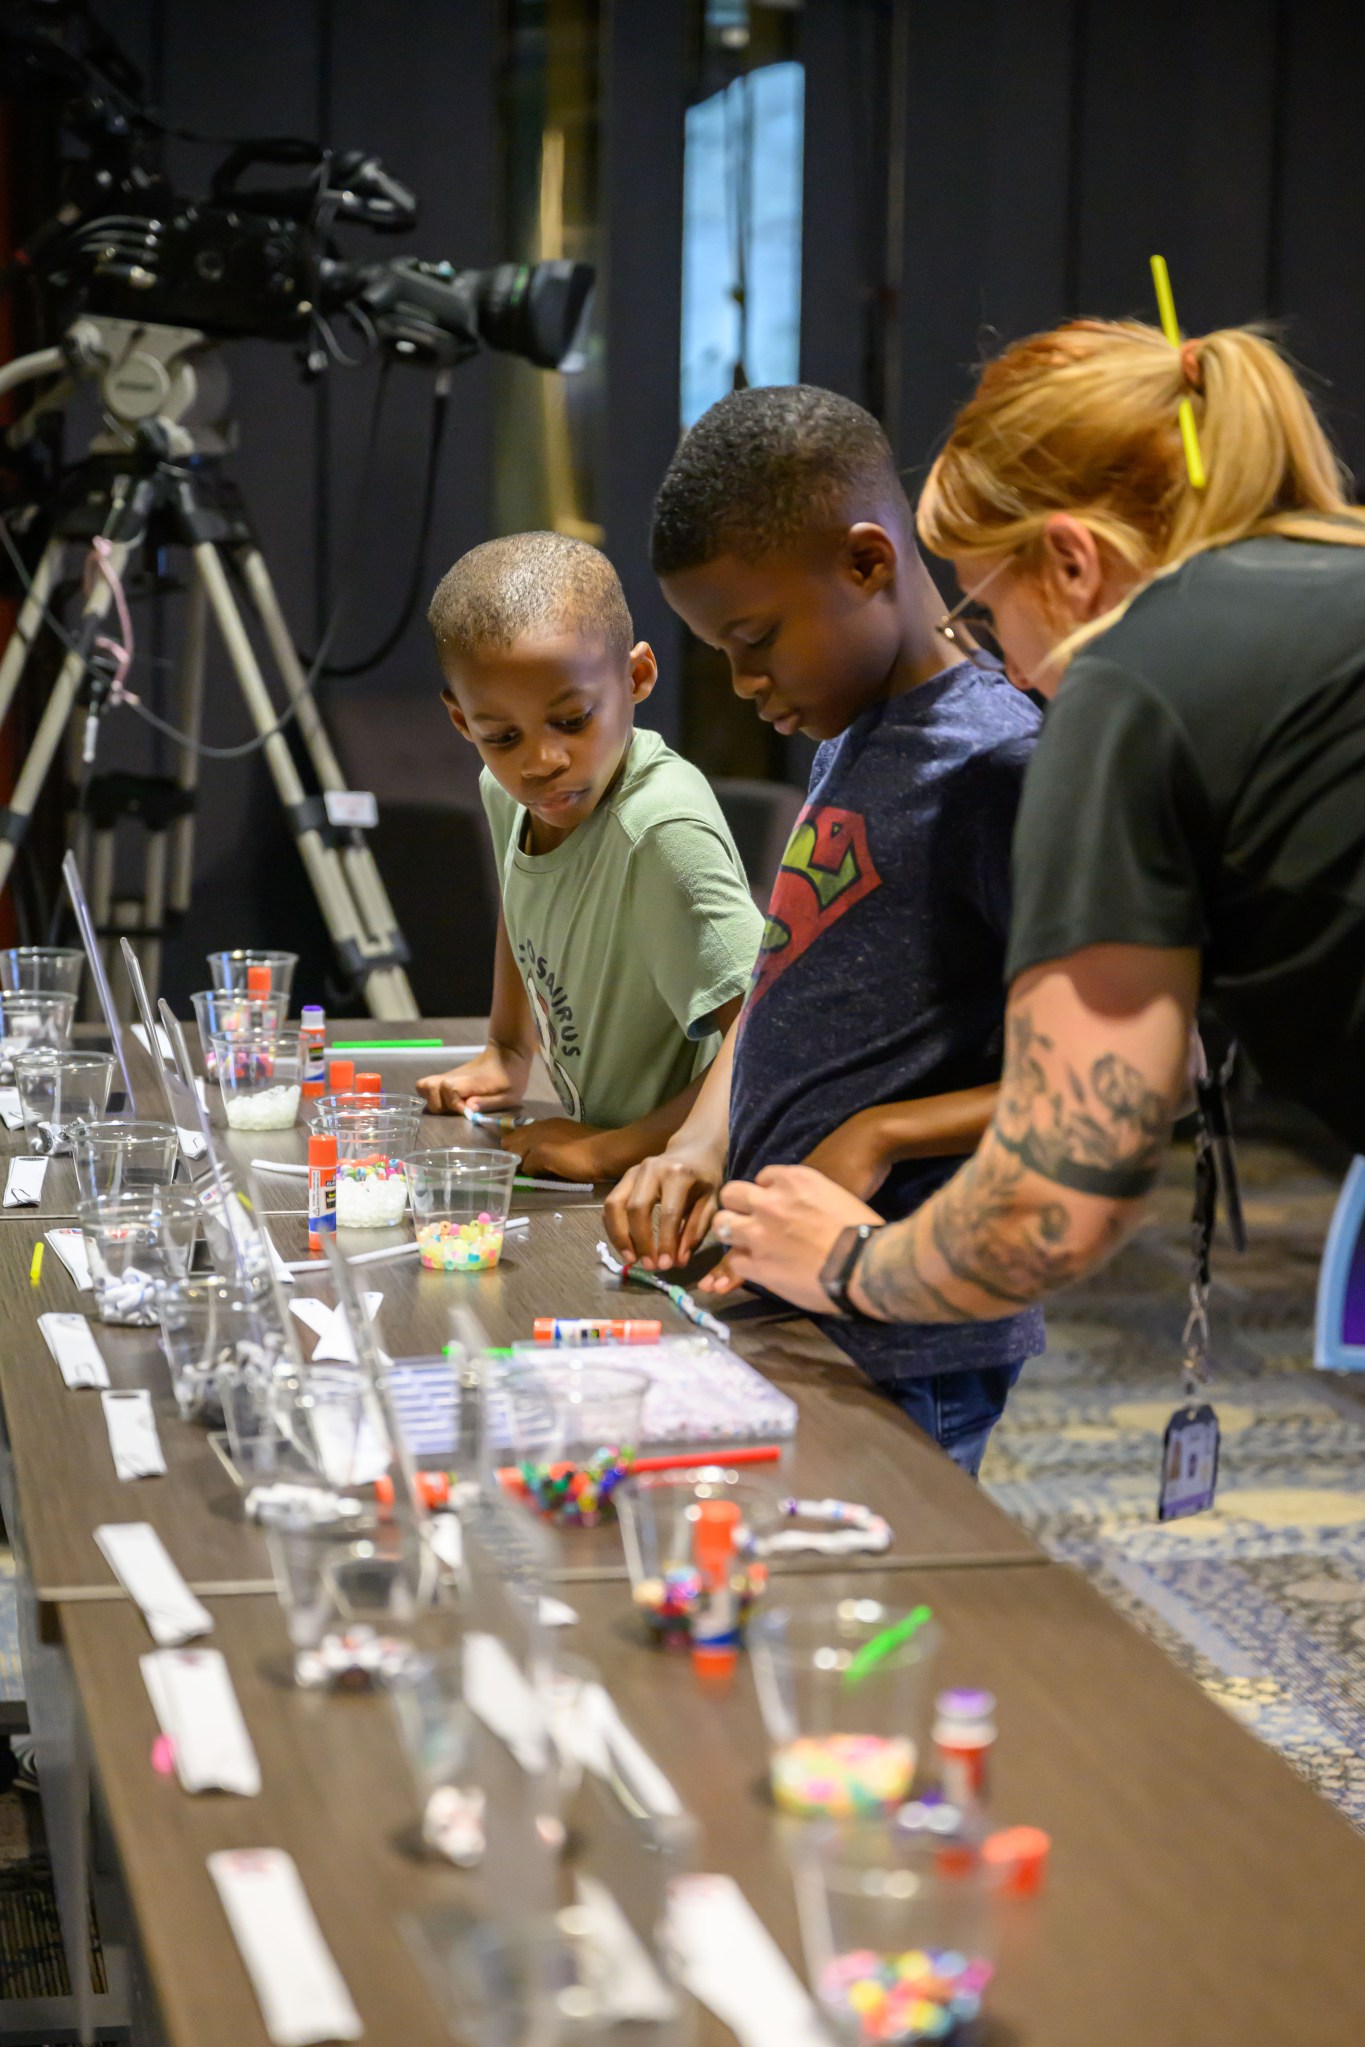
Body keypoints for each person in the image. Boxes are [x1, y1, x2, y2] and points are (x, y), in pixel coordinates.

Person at [705, 319, 1365, 1331]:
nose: (1011, 670)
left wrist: (844, 1260)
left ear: (1069, 563)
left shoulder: (1131, 679)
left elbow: (1054, 1203)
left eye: (987, 606)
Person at [604, 386, 1044, 1473]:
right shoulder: (857, 730)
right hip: (790, 1287)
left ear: (865, 564)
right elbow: (780, 976)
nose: (746, 682)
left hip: (911, 1323)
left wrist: (882, 1133)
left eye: (755, 639)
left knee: (892, 1599)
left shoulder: (1000, 763)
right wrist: (702, 1139)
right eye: (721, 651)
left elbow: (1110, 1077)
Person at [419, 531, 762, 1183]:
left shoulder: (660, 828)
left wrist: (612, 1148)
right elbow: (523, 906)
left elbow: (767, 1032)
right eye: (502, 736)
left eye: (571, 720)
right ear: (463, 722)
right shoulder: (507, 792)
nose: (540, 761)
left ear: (635, 677)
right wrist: (507, 1048)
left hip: (688, 1172)